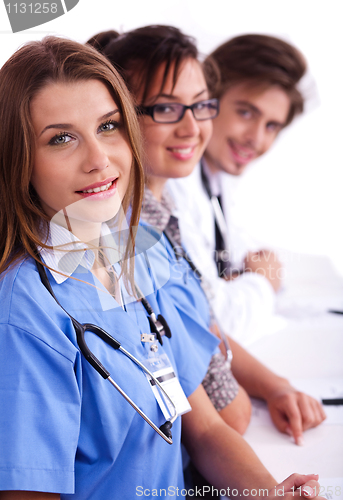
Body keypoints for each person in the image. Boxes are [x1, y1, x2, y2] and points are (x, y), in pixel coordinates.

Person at [0, 34, 325, 500]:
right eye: (62, 138)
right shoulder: (25, 312)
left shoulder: (136, 251)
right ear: (18, 159)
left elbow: (207, 430)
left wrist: (268, 494)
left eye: (108, 127)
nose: (99, 159)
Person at [90, 23, 325, 467]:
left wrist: (274, 385)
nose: (192, 126)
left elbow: (209, 324)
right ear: (117, 117)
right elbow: (205, 416)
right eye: (165, 108)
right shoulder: (122, 239)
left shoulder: (163, 216)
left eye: (201, 107)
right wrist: (261, 283)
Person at [168, 34, 308, 345]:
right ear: (206, 101)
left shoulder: (217, 181)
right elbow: (215, 323)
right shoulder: (172, 187)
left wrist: (247, 280)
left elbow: (246, 255)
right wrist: (261, 282)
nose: (256, 139)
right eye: (246, 113)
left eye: (272, 126)